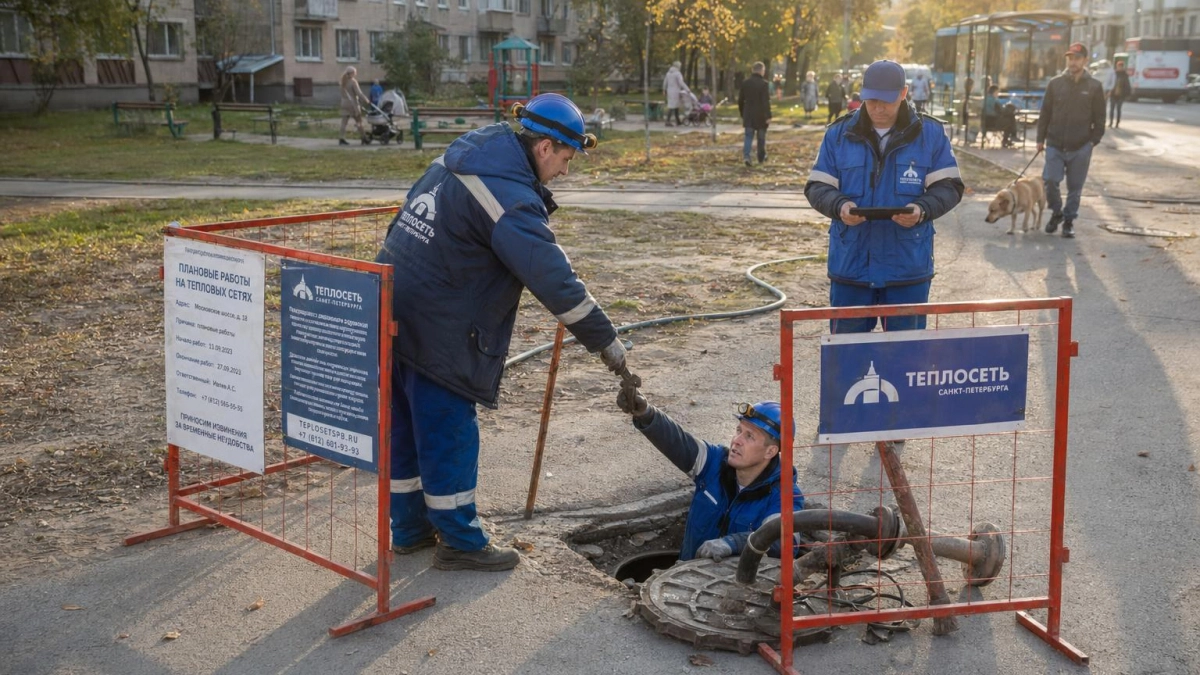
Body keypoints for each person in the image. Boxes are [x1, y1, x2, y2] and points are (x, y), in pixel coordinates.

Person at [375, 93, 628, 571]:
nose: (566, 172)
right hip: (438, 323)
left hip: (392, 304)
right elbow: (552, 278)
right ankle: (460, 541)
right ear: (545, 147)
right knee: (447, 429)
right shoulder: (506, 194)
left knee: (406, 424)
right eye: (567, 159)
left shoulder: (473, 148)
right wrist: (604, 340)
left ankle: (408, 530)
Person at [804, 59, 964, 333]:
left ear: (904, 93)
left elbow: (949, 186)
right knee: (847, 360)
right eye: (871, 99)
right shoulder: (838, 134)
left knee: (907, 363)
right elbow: (817, 187)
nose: (878, 107)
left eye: (886, 101)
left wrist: (922, 209)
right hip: (851, 266)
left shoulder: (931, 134)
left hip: (907, 268)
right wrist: (839, 206)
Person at [616, 384, 805, 562]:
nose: (736, 441)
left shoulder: (784, 495)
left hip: (736, 593)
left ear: (770, 451)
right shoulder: (715, 462)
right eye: (739, 430)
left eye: (749, 436)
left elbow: (784, 543)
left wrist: (732, 543)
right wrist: (646, 414)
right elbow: (677, 442)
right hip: (682, 581)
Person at [1037, 42, 1105, 239]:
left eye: (1077, 58)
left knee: (1075, 188)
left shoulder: (1094, 86)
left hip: (1081, 146)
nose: (1073, 62)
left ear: (1085, 60)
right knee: (1050, 180)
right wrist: (1040, 139)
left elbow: (1100, 118)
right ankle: (1056, 213)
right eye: (1070, 58)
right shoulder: (1055, 83)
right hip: (1055, 143)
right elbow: (1045, 113)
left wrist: (1092, 142)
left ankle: (1068, 221)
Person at [738, 61, 772, 167]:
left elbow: (740, 100)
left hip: (748, 114)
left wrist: (742, 112)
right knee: (761, 137)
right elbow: (765, 101)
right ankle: (761, 157)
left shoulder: (745, 83)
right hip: (761, 115)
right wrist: (768, 116)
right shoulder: (764, 84)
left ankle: (747, 156)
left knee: (748, 136)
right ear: (761, 71)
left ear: (753, 70)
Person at [339, 66, 370, 145]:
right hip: (352, 104)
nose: (355, 74)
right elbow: (359, 93)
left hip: (344, 103)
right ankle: (364, 137)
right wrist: (366, 100)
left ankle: (341, 138)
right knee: (359, 121)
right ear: (352, 73)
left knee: (344, 122)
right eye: (355, 73)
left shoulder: (342, 81)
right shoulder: (353, 82)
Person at [662, 61, 690, 127]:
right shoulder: (678, 73)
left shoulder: (668, 73)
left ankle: (677, 121)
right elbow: (681, 82)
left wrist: (664, 89)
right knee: (673, 106)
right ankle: (668, 121)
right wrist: (687, 89)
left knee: (674, 105)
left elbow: (665, 82)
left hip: (669, 91)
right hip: (675, 91)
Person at [1109, 59, 1131, 129]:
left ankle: (1117, 123)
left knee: (1118, 109)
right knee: (1111, 109)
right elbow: (1109, 82)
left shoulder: (1125, 75)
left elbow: (1127, 85)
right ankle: (1111, 122)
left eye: (1121, 66)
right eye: (1118, 66)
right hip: (1113, 94)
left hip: (1121, 95)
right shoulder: (1113, 74)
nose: (1119, 67)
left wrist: (1127, 94)